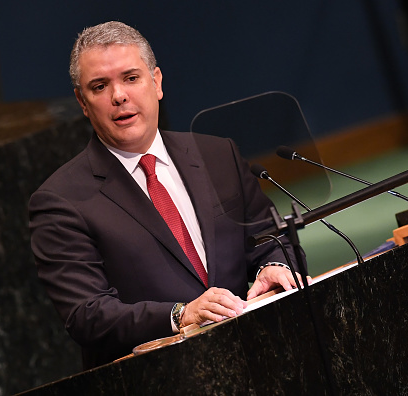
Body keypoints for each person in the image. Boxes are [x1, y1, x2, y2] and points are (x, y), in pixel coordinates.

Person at [29, 21, 305, 369]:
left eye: (131, 78)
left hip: (258, 355)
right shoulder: (60, 200)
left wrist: (276, 265)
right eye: (100, 86)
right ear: (82, 103)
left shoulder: (218, 155)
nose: (119, 96)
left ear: (156, 82)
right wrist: (180, 316)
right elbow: (87, 314)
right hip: (158, 375)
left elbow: (272, 238)